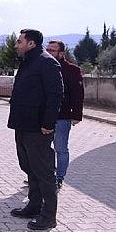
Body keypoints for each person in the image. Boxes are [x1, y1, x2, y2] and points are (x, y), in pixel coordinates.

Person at [9, 29, 63, 230]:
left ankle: (49, 216)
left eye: (19, 41)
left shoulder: (47, 62)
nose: (16, 44)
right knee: (29, 167)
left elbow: (55, 95)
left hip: (38, 128)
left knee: (44, 172)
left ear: (31, 43)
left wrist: (48, 124)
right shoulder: (28, 61)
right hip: (23, 125)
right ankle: (33, 205)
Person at [45, 40, 84, 189]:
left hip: (62, 117)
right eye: (47, 49)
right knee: (42, 149)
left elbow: (78, 94)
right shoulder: (43, 67)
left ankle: (59, 178)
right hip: (43, 117)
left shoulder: (72, 70)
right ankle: (44, 176)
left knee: (60, 149)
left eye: (52, 50)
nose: (49, 53)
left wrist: (76, 115)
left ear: (61, 53)